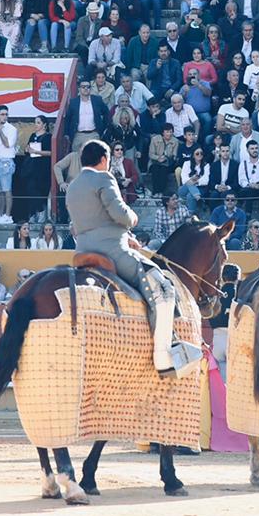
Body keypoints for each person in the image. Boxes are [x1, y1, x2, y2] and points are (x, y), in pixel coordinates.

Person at [65, 139, 202, 376]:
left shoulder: (73, 186)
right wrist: (133, 219)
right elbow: (121, 214)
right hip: (111, 250)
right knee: (164, 288)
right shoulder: (104, 178)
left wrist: (126, 236)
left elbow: (95, 220)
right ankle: (164, 358)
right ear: (104, 160)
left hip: (82, 250)